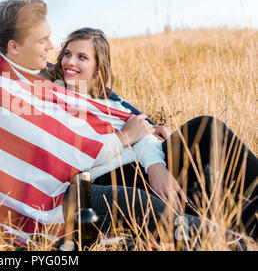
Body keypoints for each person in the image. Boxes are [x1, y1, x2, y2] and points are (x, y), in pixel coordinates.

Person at [47, 27, 258, 242]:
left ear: (97, 69)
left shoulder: (110, 101)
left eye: (81, 57)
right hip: (108, 180)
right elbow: (72, 160)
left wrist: (155, 166)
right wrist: (124, 138)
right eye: (67, 54)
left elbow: (143, 132)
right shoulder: (53, 101)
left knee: (206, 127)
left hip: (145, 165)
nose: (70, 62)